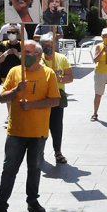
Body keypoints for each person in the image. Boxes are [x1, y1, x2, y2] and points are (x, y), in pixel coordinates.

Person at [0, 40, 60, 212]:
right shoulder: (14, 72)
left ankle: (33, 202)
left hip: (37, 132)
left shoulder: (48, 74)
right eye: (23, 52)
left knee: (34, 169)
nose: (25, 56)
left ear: (38, 55)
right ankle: (0, 207)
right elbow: (1, 98)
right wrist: (15, 90)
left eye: (29, 52)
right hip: (15, 131)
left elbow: (54, 100)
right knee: (9, 169)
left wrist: (32, 105)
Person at [39, 33, 72, 165]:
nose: (48, 48)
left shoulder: (62, 58)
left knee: (57, 125)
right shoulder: (37, 59)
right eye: (45, 46)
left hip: (57, 96)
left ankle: (57, 151)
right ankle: (39, 151)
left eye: (50, 45)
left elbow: (70, 77)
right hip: (42, 97)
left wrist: (59, 78)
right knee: (42, 125)